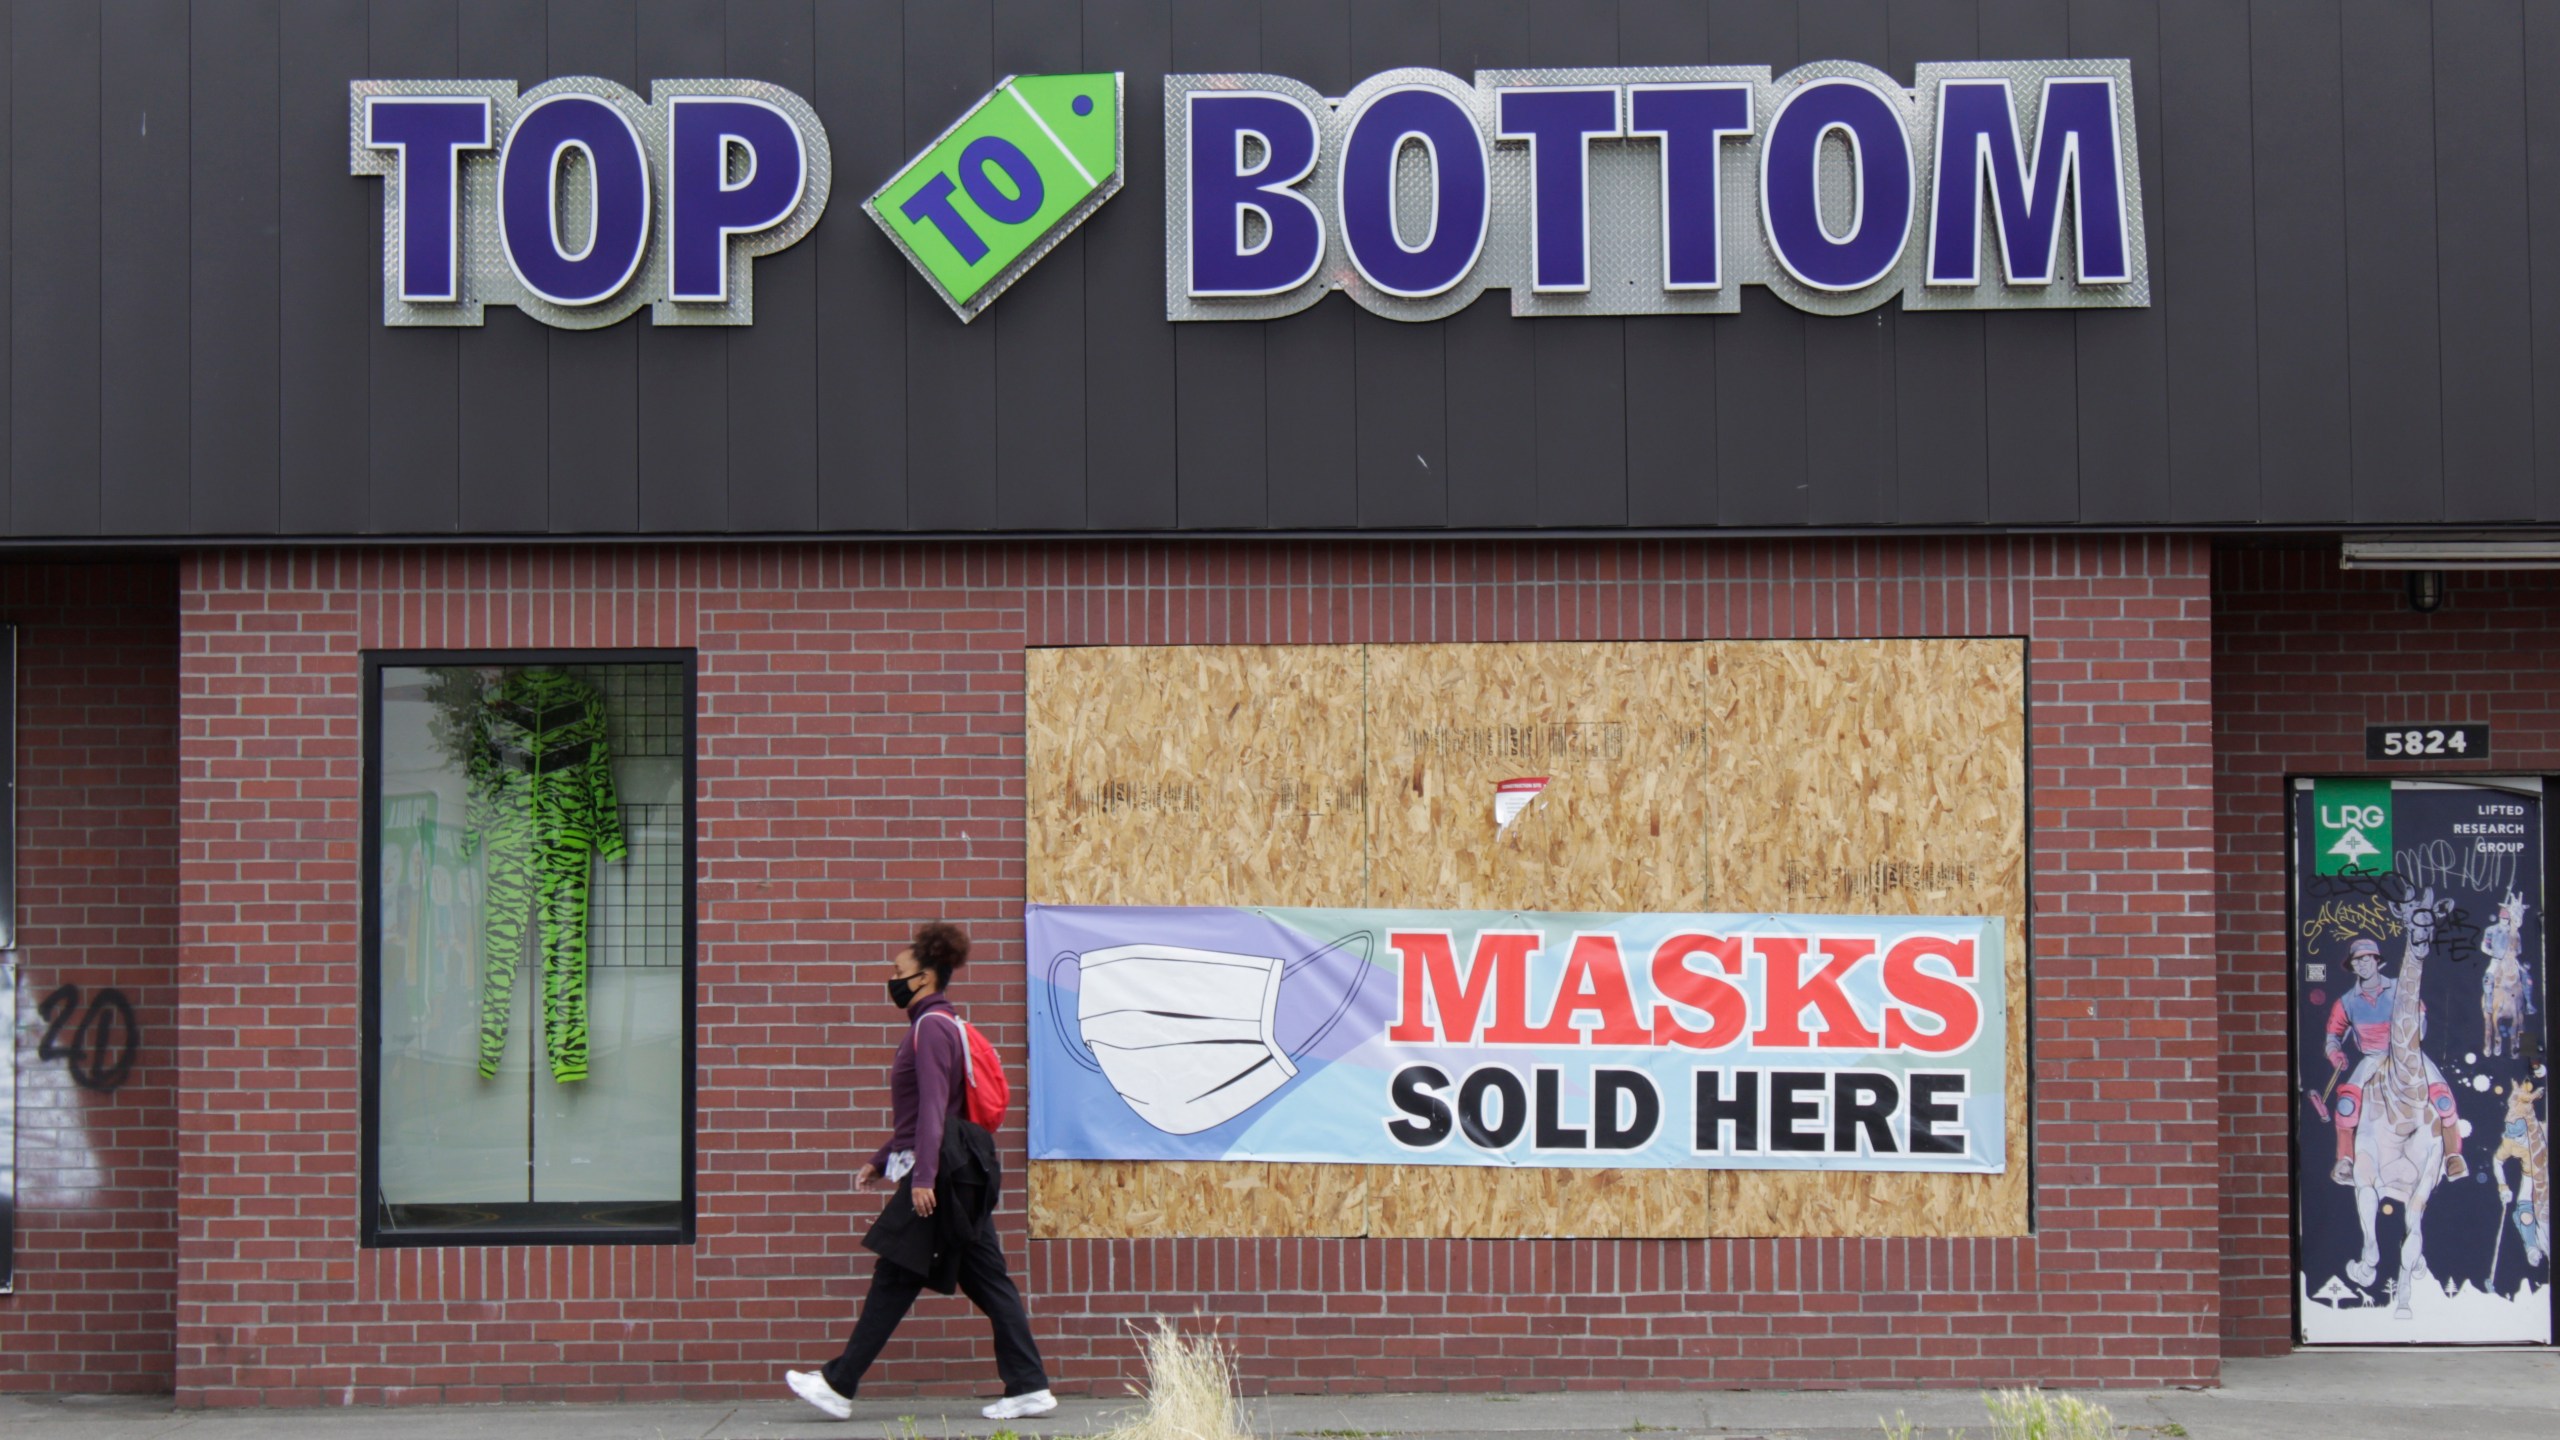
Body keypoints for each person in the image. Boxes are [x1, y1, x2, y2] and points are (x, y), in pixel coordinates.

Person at [787, 924, 1056, 1421]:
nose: (891, 979)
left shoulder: (931, 1027)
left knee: (895, 1275)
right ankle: (1029, 1385)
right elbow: (925, 1112)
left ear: (925, 978)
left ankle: (838, 1384)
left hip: (943, 1172)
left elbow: (935, 1105)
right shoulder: (936, 1024)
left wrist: (924, 1177)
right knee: (986, 1279)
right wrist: (882, 1156)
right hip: (956, 1166)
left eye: (898, 972)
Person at [2323, 935, 2462, 1186]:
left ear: (2378, 961)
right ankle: (2345, 1159)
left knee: (2443, 1097)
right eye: (2357, 961)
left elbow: (2419, 1013)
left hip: (2407, 1052)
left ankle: (2453, 1155)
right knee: (2346, 1104)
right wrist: (2336, 1053)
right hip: (2372, 1057)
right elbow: (2333, 1035)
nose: (2363, 965)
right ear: (2352, 966)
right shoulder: (2346, 1002)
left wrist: (2414, 1031)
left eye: (2368, 959)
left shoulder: (2400, 987)